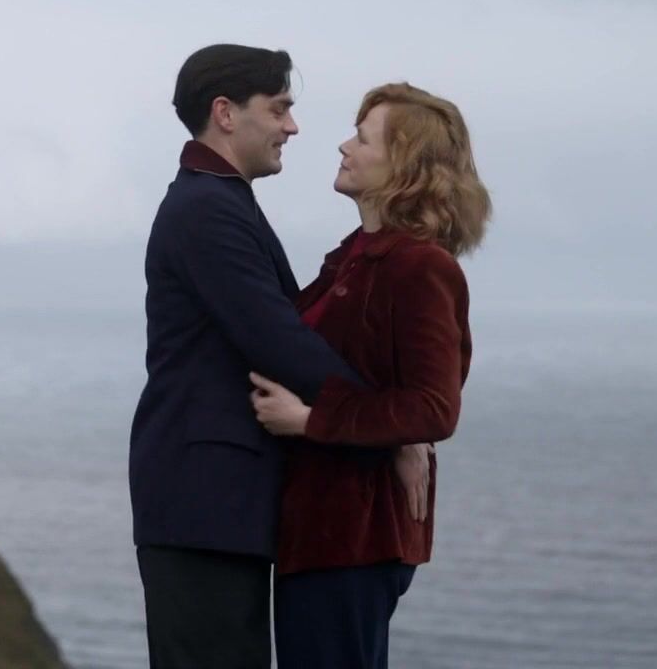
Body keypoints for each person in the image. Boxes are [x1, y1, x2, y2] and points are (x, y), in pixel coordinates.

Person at [129, 45, 427, 669]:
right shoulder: (206, 210)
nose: (292, 126)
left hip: (214, 505)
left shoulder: (220, 200)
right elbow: (278, 340)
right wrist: (389, 430)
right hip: (203, 504)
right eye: (279, 108)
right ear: (225, 113)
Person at [250, 82, 493, 669]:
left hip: (357, 534)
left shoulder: (419, 267)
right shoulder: (357, 256)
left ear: (403, 165)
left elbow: (433, 408)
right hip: (321, 529)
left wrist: (311, 420)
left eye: (362, 138)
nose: (343, 146)